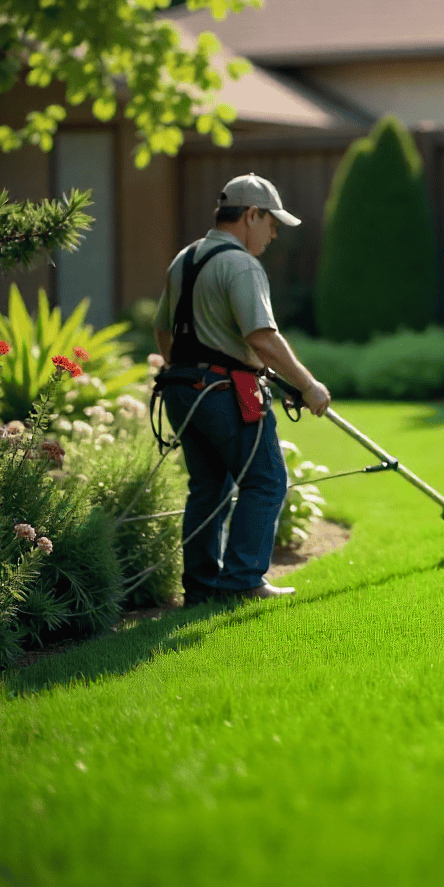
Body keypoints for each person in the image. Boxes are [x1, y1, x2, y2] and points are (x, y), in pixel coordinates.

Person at [152, 173, 331, 606]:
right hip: (223, 394)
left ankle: (199, 586)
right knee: (267, 481)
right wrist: (308, 385)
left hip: (179, 390)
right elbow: (262, 337)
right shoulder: (241, 264)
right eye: (271, 222)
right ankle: (242, 582)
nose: (273, 234)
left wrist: (187, 370)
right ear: (250, 215)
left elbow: (162, 329)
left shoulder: (186, 258)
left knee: (208, 487)